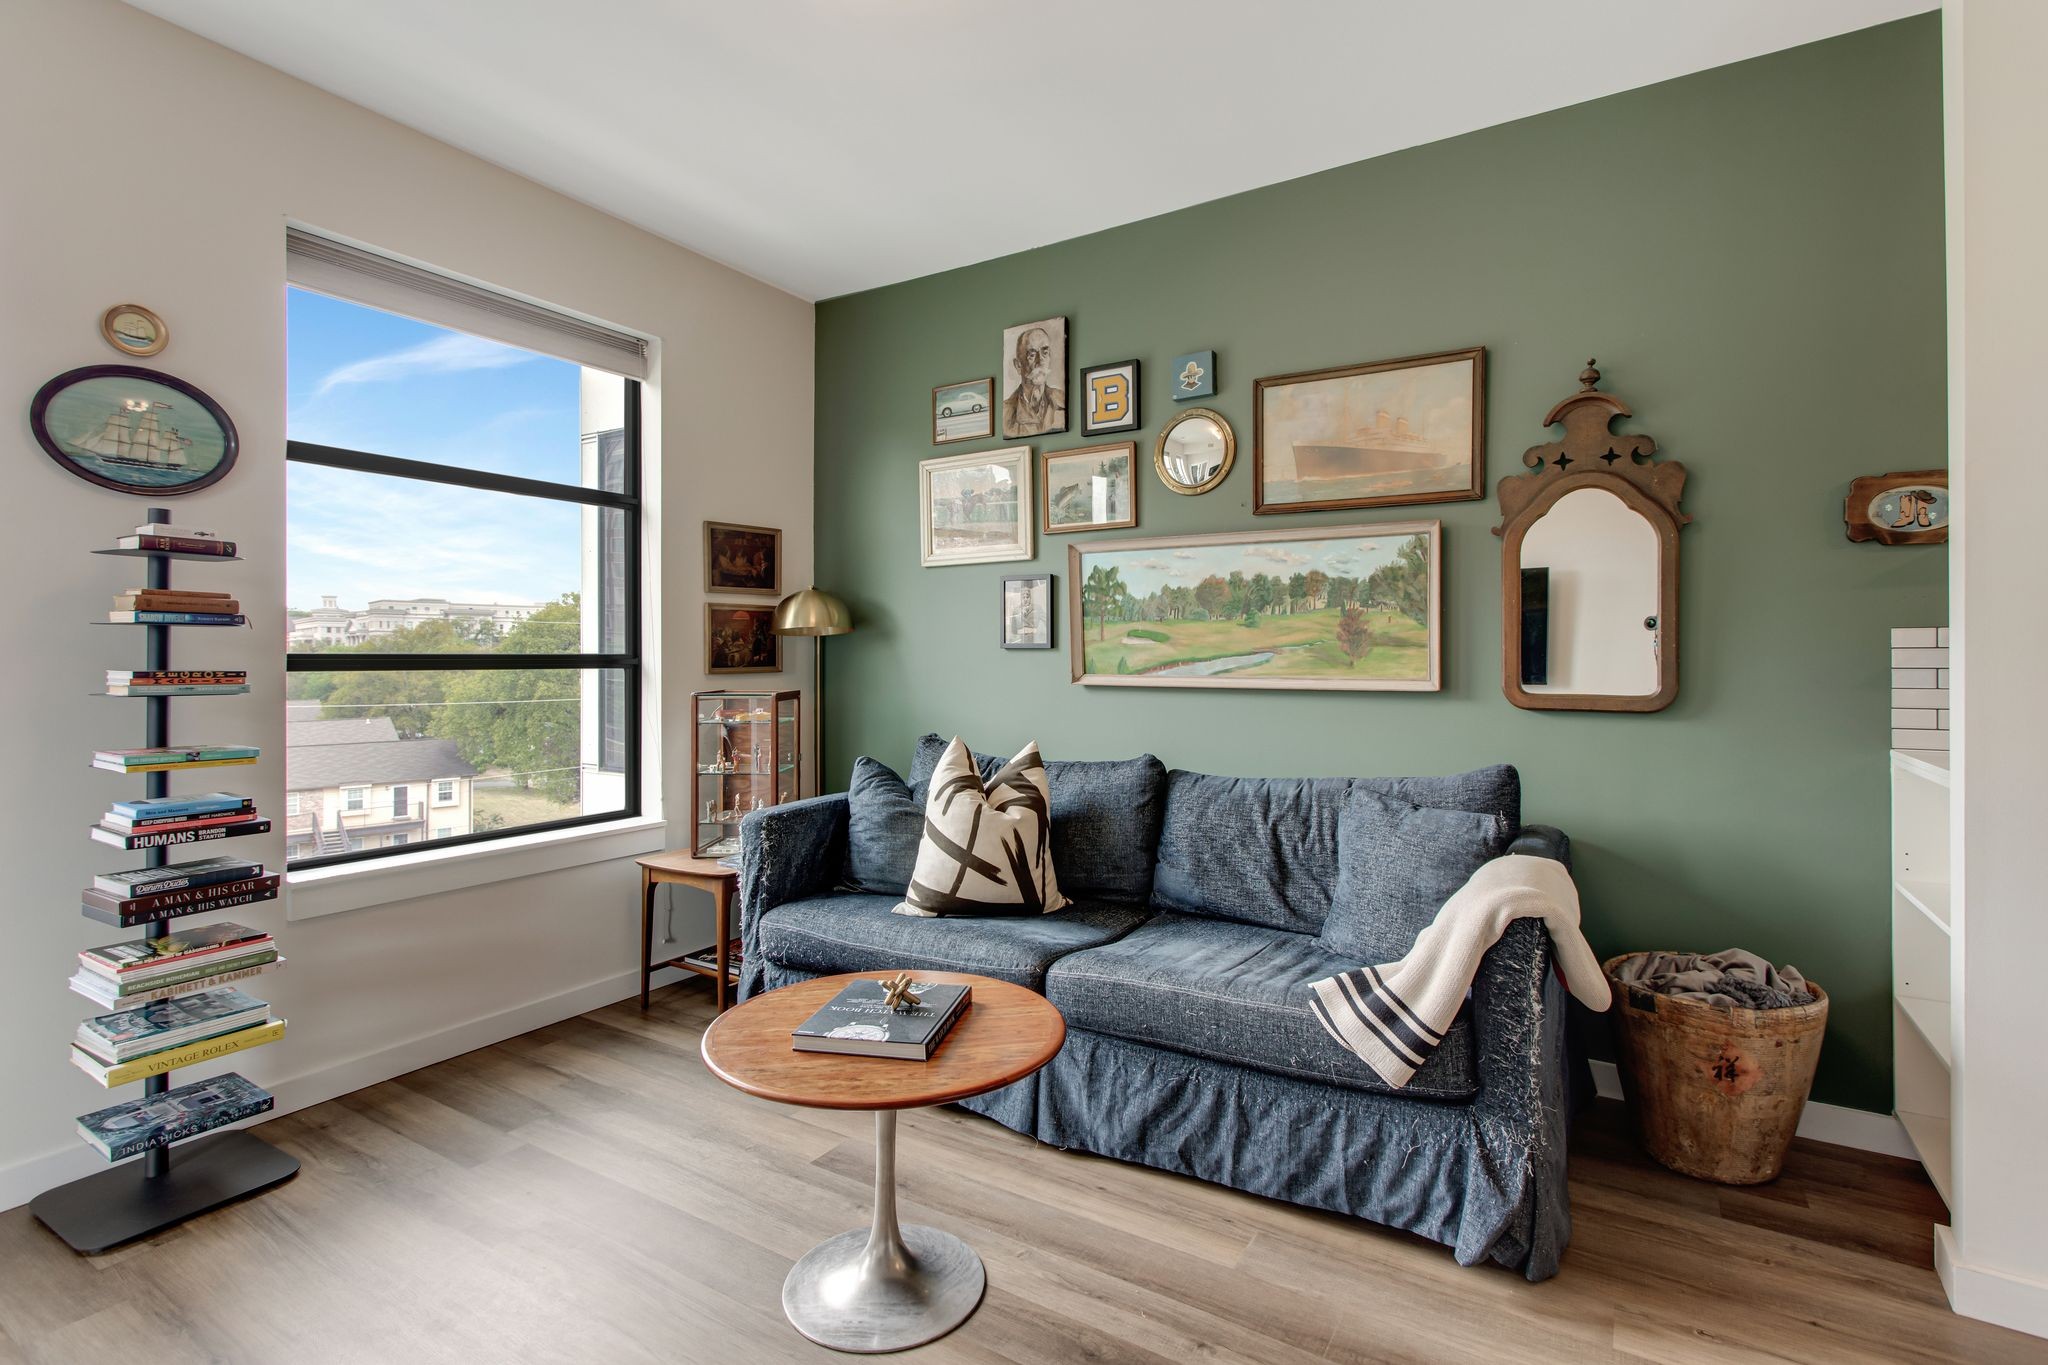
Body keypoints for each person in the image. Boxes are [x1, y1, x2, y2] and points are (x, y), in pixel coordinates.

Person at [1002, 325, 1065, 437]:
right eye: (1032, 355)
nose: (1040, 360)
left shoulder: (1063, 400)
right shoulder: (1006, 413)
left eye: (1044, 353)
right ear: (1018, 366)